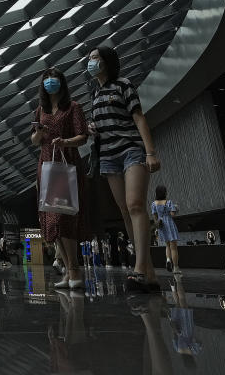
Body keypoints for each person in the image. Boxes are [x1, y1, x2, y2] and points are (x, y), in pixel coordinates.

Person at [87, 46, 160, 293]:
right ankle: (148, 272)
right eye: (89, 59)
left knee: (135, 205)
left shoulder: (123, 85)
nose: (91, 62)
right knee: (124, 211)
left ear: (107, 62)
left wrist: (150, 152)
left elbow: (139, 117)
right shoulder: (95, 95)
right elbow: (101, 123)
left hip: (131, 150)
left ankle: (139, 269)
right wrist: (93, 128)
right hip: (108, 156)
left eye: (95, 58)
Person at [30, 67, 89, 290]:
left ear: (62, 83)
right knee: (53, 222)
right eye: (46, 79)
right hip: (45, 167)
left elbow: (83, 136)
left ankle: (74, 270)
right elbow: (34, 140)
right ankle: (69, 271)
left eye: (53, 78)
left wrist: (65, 142)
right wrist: (39, 134)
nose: (50, 82)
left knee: (64, 219)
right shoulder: (41, 110)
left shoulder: (73, 107)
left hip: (65, 166)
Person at [151, 185, 181, 274]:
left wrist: (158, 225)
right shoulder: (169, 202)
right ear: (164, 193)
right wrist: (176, 208)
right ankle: (175, 268)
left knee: (167, 246)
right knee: (174, 248)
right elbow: (172, 215)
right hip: (169, 224)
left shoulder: (153, 204)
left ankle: (168, 259)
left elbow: (155, 217)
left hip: (161, 226)